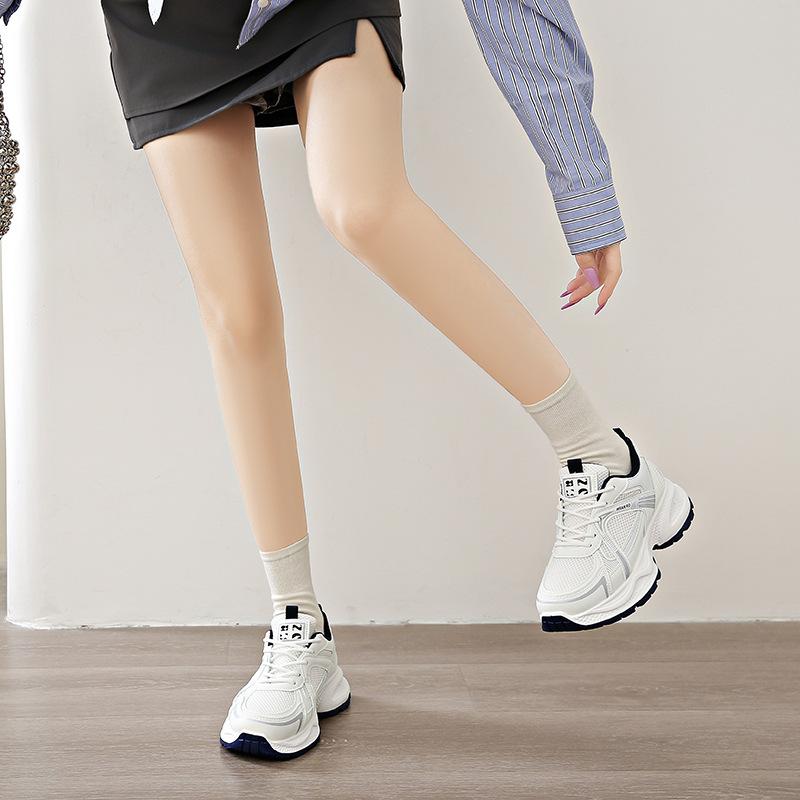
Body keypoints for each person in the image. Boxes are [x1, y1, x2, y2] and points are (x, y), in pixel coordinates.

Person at [4, 0, 693, 761]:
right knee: (236, 314)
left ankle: (604, 459)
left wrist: (581, 181)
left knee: (362, 207)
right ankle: (297, 626)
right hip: (163, 21)